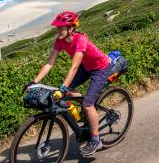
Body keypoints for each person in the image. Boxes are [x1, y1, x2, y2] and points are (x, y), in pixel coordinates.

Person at [25, 11, 111, 157]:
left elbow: (74, 67)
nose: (57, 31)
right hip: (86, 67)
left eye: (60, 28)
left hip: (100, 68)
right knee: (70, 94)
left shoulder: (80, 39)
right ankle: (87, 111)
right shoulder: (60, 40)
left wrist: (63, 88)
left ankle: (96, 140)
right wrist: (34, 81)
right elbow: (50, 63)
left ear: (71, 29)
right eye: (57, 28)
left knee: (87, 103)